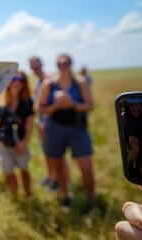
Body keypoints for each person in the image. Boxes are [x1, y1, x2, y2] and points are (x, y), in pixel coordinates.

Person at [36, 53, 95, 208]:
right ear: (57, 65)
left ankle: (91, 199)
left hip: (78, 128)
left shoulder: (80, 82)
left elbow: (89, 105)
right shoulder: (49, 84)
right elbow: (38, 108)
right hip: (55, 129)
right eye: (60, 63)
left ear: (70, 63)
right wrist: (56, 106)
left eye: (66, 62)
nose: (63, 65)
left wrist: (73, 104)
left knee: (87, 168)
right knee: (59, 166)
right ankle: (65, 195)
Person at [0, 70, 34, 199]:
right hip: (4, 145)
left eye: (21, 80)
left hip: (21, 143)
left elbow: (29, 125)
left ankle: (27, 195)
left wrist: (24, 143)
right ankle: (14, 196)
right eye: (14, 79)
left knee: (24, 169)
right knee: (9, 171)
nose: (17, 83)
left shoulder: (27, 103)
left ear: (24, 84)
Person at [29, 56, 59, 189]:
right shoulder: (40, 80)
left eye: (36, 67)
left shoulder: (48, 79)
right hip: (43, 120)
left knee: (55, 154)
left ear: (42, 65)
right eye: (32, 68)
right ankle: (50, 176)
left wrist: (44, 123)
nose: (35, 70)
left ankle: (57, 181)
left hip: (49, 121)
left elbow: (50, 103)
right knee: (47, 152)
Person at [125, 97, 142, 177]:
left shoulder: (129, 121)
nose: (135, 107)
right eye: (131, 104)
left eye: (139, 103)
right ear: (127, 107)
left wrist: (132, 165)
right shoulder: (127, 119)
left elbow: (135, 150)